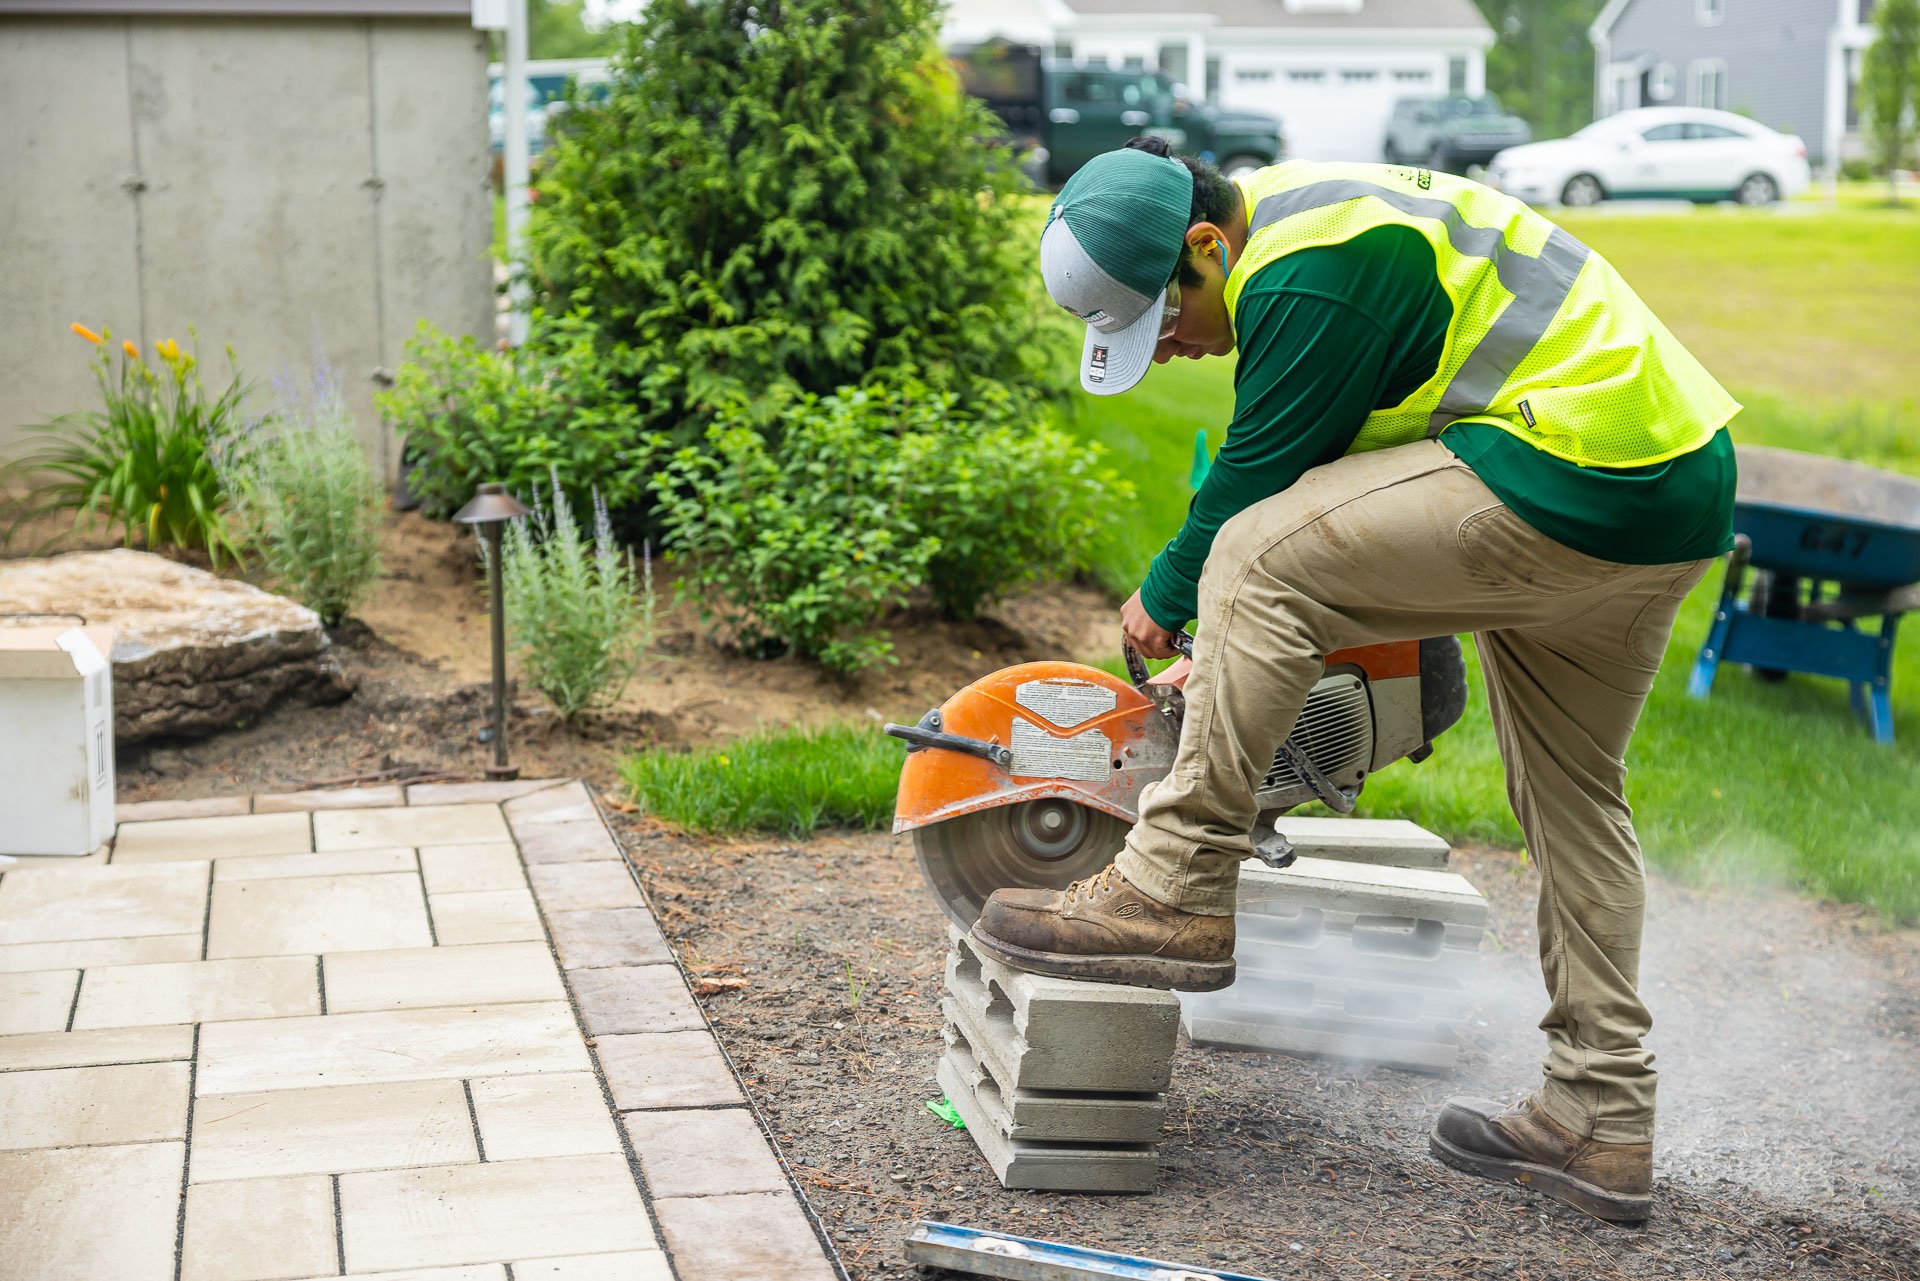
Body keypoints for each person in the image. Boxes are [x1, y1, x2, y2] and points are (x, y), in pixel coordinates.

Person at [968, 138, 1739, 1224]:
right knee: (1576, 800)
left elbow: (1258, 484)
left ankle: (1173, 883)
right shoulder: (1305, 226)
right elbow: (1340, 503)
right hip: (1664, 489)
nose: (1172, 351)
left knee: (1251, 552)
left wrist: (1172, 591)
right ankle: (1601, 1114)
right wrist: (1233, 643)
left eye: (1166, 321)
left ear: (1206, 247)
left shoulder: (1306, 273)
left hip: (1573, 469)